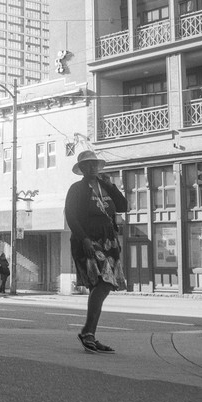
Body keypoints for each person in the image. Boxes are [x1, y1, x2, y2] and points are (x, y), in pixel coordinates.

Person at [64, 149, 128, 354]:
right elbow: (72, 217)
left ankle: (89, 334)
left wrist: (111, 185)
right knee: (103, 282)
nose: (92, 168)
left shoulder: (105, 186)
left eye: (95, 164)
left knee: (102, 287)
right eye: (88, 165)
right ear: (82, 169)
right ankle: (87, 332)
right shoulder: (76, 189)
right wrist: (84, 240)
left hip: (108, 240)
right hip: (88, 240)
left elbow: (123, 206)